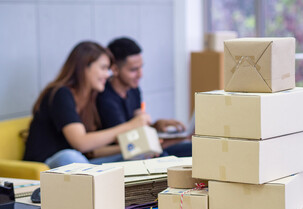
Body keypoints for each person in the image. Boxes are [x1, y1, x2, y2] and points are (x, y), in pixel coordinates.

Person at [23, 41, 151, 168]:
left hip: (79, 165)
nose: (107, 75)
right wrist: (130, 126)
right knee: (69, 156)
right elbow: (81, 143)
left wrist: (139, 149)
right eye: (103, 68)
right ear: (85, 67)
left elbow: (91, 151)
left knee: (139, 158)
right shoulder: (60, 93)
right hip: (45, 165)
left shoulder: (90, 98)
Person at [96, 37, 192, 157]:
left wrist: (156, 126)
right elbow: (124, 137)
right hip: (124, 153)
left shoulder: (133, 89)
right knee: (165, 157)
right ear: (115, 69)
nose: (140, 74)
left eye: (141, 67)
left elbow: (139, 124)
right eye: (134, 70)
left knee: (194, 148)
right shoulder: (105, 98)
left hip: (141, 146)